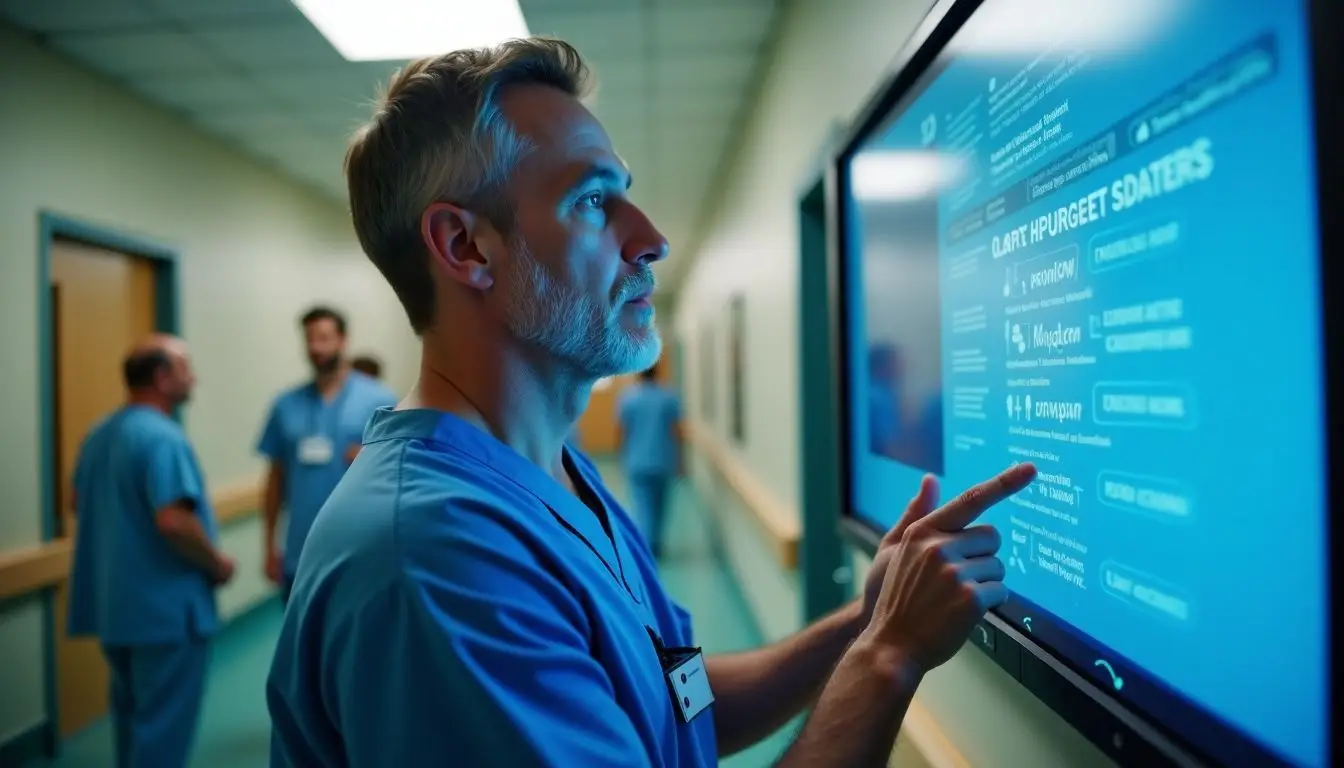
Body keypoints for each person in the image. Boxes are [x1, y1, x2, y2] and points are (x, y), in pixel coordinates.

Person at [266, 39, 1036, 767]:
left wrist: (864, 619)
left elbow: (676, 702)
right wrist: (889, 655)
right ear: (467, 247)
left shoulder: (554, 471)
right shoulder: (435, 558)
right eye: (594, 200)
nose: (653, 239)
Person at [67, 334, 234, 768]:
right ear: (162, 378)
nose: (193, 378)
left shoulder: (100, 433)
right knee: (161, 733)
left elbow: (74, 503)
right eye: (186, 368)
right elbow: (173, 520)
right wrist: (215, 564)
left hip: (117, 611)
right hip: (166, 617)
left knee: (131, 721)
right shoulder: (163, 438)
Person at [257, 306, 397, 604]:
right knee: (300, 646)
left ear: (343, 341)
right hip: (301, 553)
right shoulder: (286, 405)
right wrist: (269, 546)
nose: (315, 347)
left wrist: (374, 458)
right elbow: (275, 479)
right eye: (309, 339)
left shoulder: (380, 400)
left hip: (360, 552)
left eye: (323, 338)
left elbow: (402, 473)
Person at [617, 362, 682, 558]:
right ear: (657, 374)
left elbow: (621, 432)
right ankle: (655, 544)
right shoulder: (668, 397)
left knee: (642, 506)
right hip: (663, 460)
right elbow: (676, 431)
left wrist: (622, 455)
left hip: (637, 461)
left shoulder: (628, 399)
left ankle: (646, 547)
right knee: (661, 506)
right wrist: (680, 460)